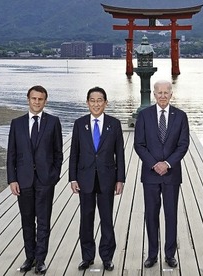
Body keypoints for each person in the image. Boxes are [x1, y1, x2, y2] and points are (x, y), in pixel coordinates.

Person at [7, 85, 63, 274]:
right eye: (34, 98)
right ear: (28, 99)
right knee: (27, 221)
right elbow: (11, 155)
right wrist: (12, 179)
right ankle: (29, 257)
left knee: (44, 221)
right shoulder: (17, 123)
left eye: (40, 99)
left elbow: (58, 153)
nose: (37, 102)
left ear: (45, 101)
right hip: (24, 180)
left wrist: (54, 176)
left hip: (45, 180)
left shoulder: (53, 122)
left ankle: (40, 260)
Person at [69, 87, 125, 272]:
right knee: (86, 218)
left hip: (107, 178)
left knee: (107, 219)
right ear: (87, 103)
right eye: (92, 100)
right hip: (85, 179)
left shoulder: (114, 124)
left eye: (99, 100)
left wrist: (120, 179)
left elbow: (120, 154)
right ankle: (87, 256)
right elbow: (74, 153)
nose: (96, 104)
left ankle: (107, 257)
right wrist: (72, 178)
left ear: (106, 103)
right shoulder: (79, 124)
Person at [134, 80, 189, 269]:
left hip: (171, 174)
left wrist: (167, 163)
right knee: (151, 214)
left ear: (171, 94)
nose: (163, 96)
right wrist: (154, 164)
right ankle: (151, 254)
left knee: (171, 214)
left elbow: (183, 145)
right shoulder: (144, 115)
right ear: (154, 95)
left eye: (166, 92)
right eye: (160, 93)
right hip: (150, 175)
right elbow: (139, 144)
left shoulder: (181, 116)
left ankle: (169, 254)